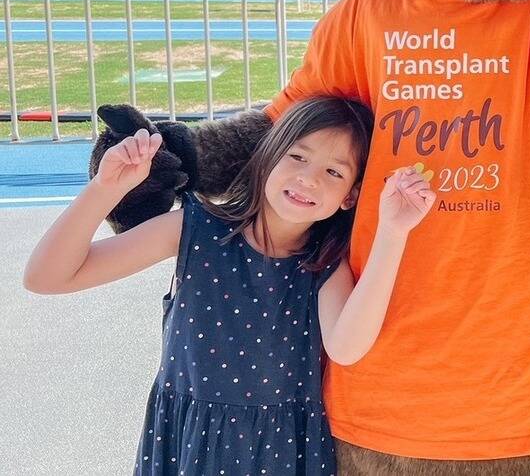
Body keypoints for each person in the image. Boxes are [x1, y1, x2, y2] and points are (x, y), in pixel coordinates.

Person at [23, 97, 436, 474]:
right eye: (296, 157)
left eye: (333, 171)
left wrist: (393, 232)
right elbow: (47, 277)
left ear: (350, 196)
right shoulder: (194, 229)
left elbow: (347, 346)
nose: (309, 179)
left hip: (283, 451)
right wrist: (105, 190)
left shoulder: (323, 264)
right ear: (267, 158)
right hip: (188, 444)